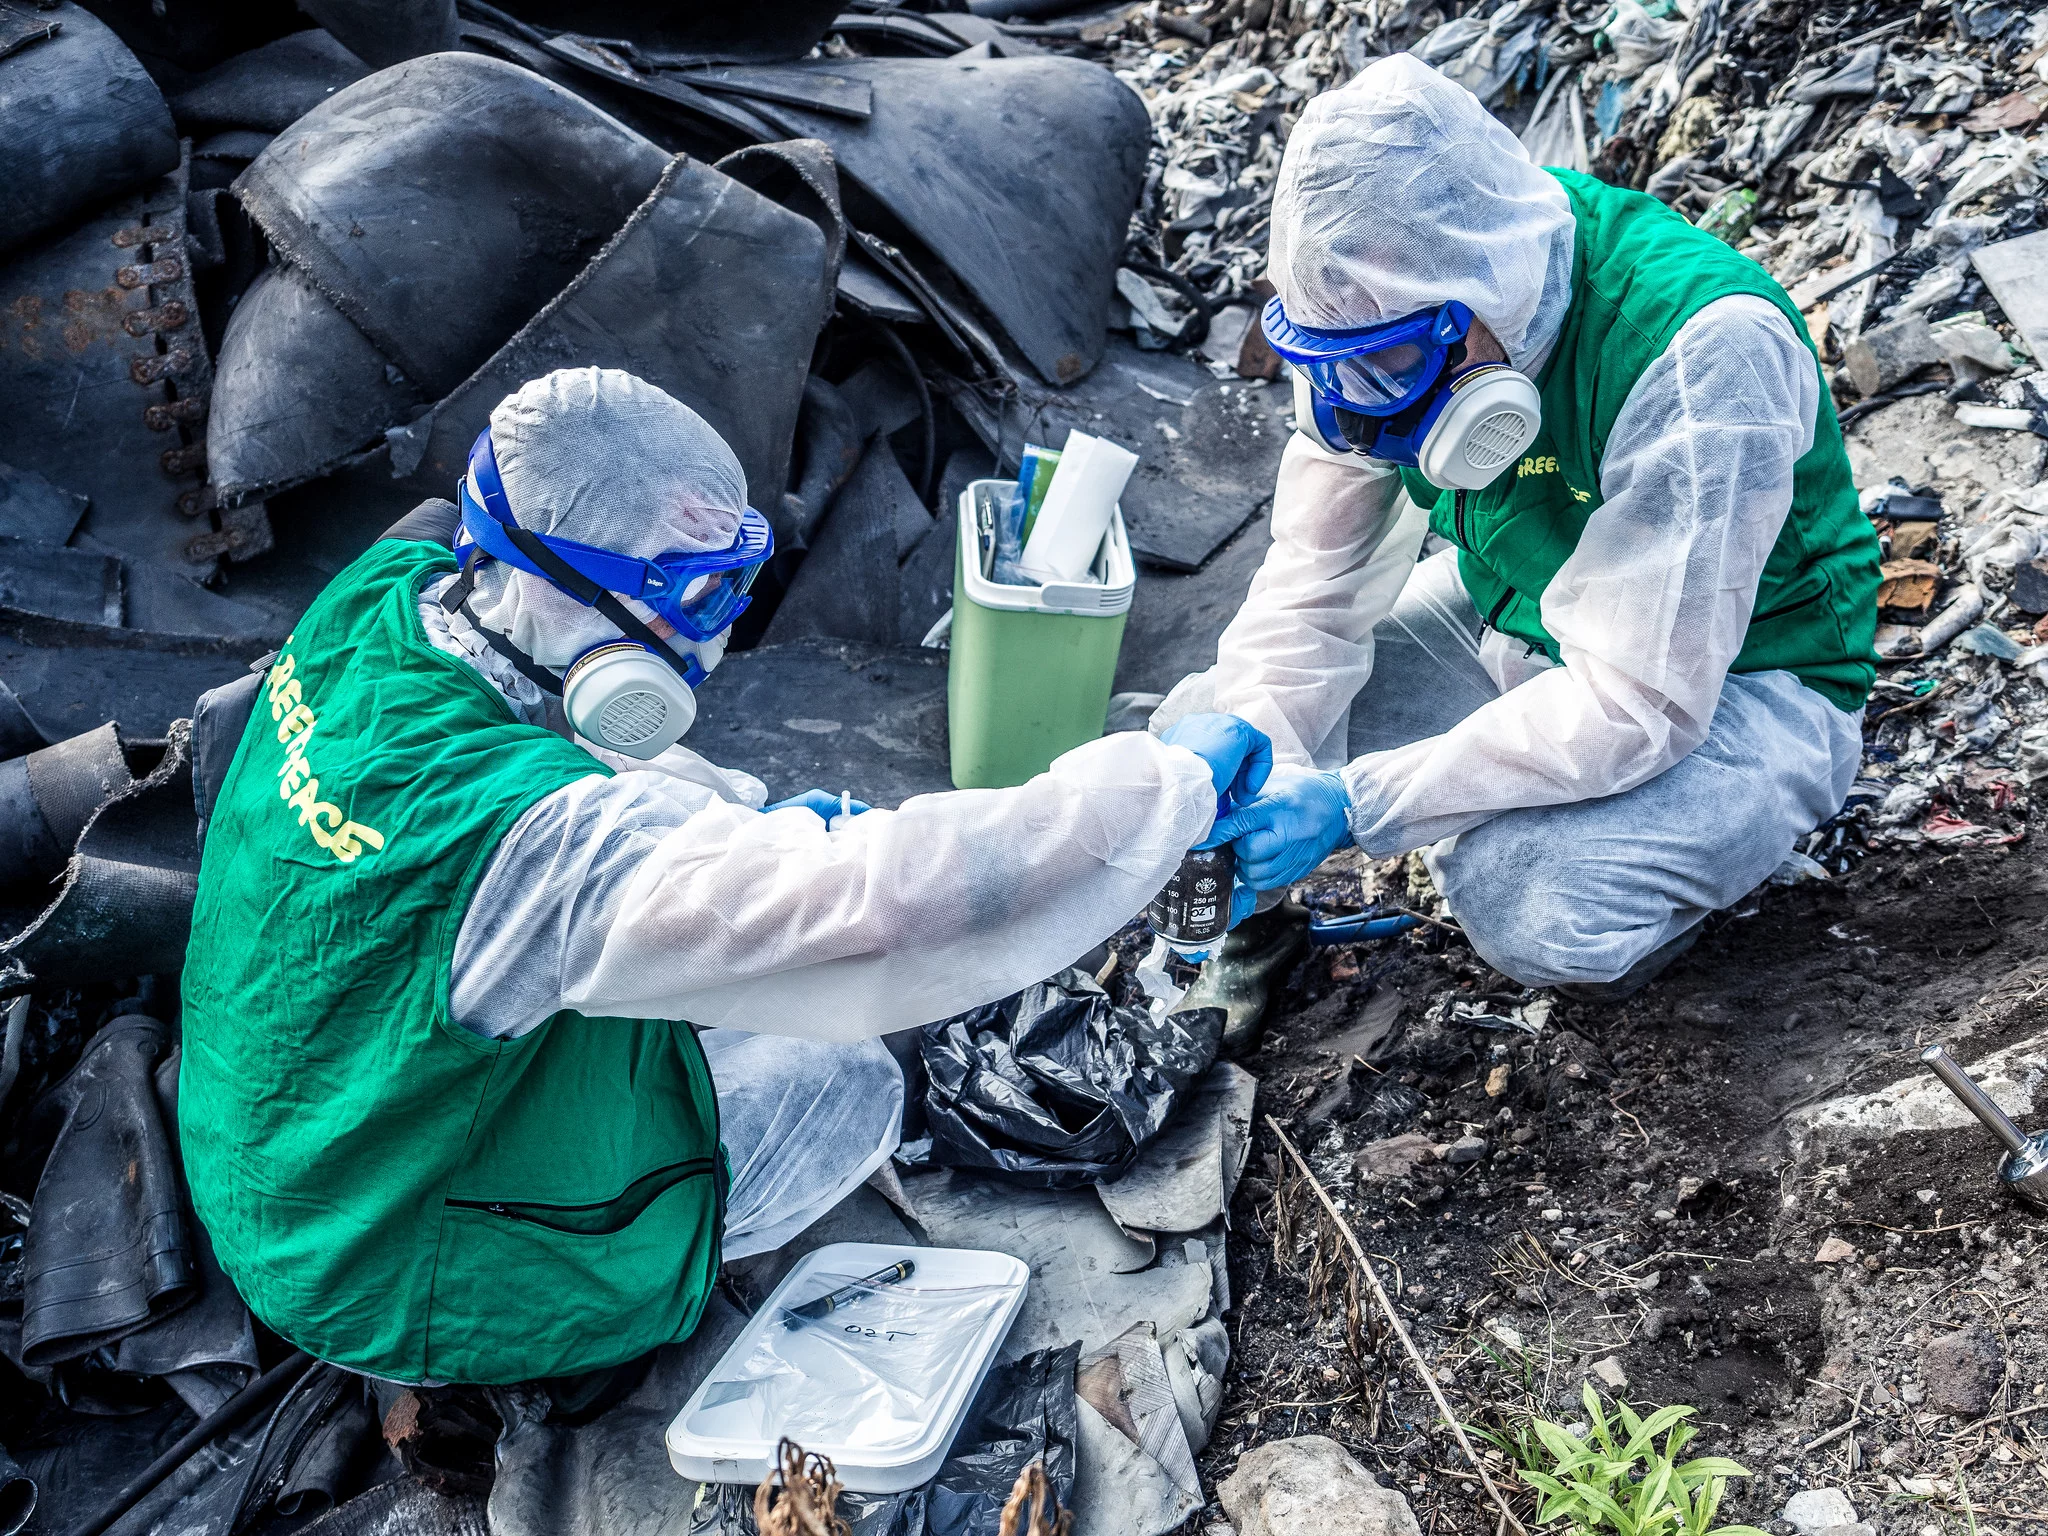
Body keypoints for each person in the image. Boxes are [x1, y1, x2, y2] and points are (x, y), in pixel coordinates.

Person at [178, 366, 1270, 1392]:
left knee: (701, 950)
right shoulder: (531, 849)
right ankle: (553, 1313)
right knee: (839, 1076)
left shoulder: (392, 593)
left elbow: (571, 765)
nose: (710, 639)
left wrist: (733, 818)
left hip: (281, 1151)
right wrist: (1163, 784)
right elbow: (882, 911)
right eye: (695, 598)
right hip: (378, 1274)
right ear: (578, 585)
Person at [1166, 54, 1880, 997]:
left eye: (1386, 367)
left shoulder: (1700, 350)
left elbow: (1638, 702)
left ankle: (1684, 885)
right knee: (1210, 731)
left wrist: (1352, 805)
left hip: (1741, 680)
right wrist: (1255, 769)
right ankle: (1240, 937)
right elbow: (1312, 590)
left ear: (1483, 292)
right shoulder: (1370, 310)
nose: (1362, 410)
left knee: (1522, 896)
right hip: (1522, 611)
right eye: (1336, 367)